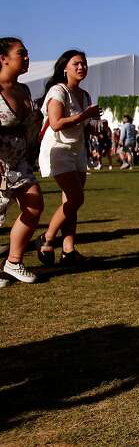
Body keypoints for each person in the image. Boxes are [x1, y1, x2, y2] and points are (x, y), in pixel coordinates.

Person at [36, 49, 101, 267]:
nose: (81, 67)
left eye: (84, 64)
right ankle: (47, 237)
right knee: (76, 198)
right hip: (58, 150)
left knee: (70, 203)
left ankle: (68, 250)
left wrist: (92, 128)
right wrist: (85, 115)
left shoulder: (85, 95)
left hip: (78, 150)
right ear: (65, 68)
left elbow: (81, 126)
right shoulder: (58, 91)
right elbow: (56, 123)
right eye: (76, 64)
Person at [0, 38, 43, 286]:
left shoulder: (23, 90)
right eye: (21, 54)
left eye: (27, 54)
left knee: (34, 204)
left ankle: (13, 261)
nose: (27, 58)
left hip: (19, 162)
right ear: (3, 58)